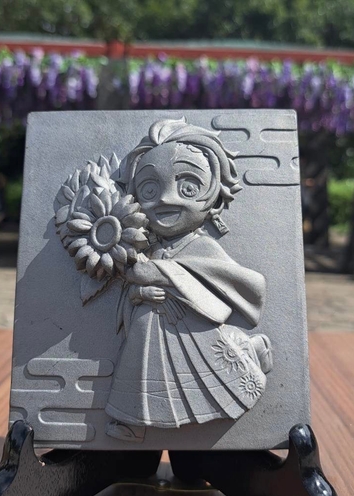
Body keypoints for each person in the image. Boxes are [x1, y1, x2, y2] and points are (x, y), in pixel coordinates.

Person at [104, 118, 272, 442]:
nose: (166, 199)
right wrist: (140, 293)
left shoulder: (202, 248)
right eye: (150, 189)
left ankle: (248, 353)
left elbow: (234, 287)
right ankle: (133, 421)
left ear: (213, 197)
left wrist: (160, 273)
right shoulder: (148, 249)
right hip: (147, 329)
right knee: (140, 370)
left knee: (208, 372)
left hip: (192, 328)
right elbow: (132, 288)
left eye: (188, 188)